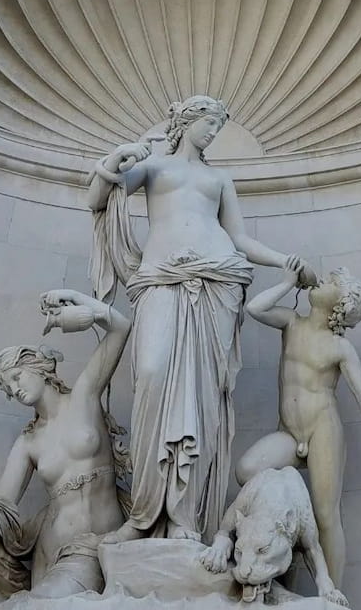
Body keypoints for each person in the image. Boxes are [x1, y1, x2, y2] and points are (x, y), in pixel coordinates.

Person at [88, 94, 315, 543]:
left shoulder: (218, 177)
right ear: (186, 122)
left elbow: (239, 238)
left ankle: (187, 518)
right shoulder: (155, 167)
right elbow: (99, 196)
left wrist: (281, 260)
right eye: (207, 123)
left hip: (217, 281)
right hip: (161, 279)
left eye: (218, 127)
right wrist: (118, 156)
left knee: (202, 396)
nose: (212, 133)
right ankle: (145, 514)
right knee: (152, 376)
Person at [0, 290, 130, 601]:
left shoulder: (85, 397)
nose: (14, 389)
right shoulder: (28, 442)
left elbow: (120, 327)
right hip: (54, 554)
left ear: (39, 367)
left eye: (17, 377)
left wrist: (72, 299)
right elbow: (0, 508)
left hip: (98, 546)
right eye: (7, 387)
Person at [236, 261, 361, 587]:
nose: (323, 278)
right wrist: (287, 282)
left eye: (332, 280)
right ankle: (283, 557)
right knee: (248, 470)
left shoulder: (340, 346)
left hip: (323, 429)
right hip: (288, 433)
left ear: (341, 304)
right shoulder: (292, 322)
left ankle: (331, 595)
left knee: (325, 514)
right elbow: (255, 307)